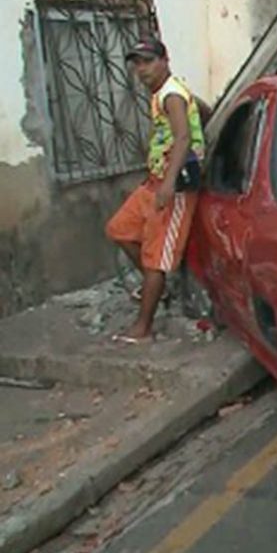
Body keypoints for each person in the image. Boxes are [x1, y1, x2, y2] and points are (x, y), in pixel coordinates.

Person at [106, 38, 206, 343]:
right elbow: (203, 109)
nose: (142, 69)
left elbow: (182, 137)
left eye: (148, 61)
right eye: (137, 63)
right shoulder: (170, 90)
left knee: (156, 259)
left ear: (165, 60)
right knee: (119, 229)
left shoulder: (171, 94)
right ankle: (156, 286)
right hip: (157, 180)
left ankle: (143, 328)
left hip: (173, 187)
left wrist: (169, 182)